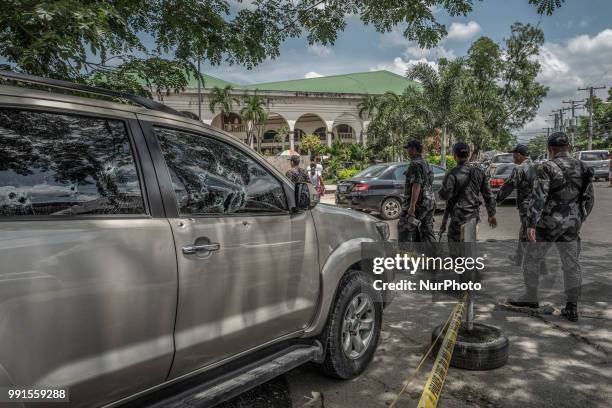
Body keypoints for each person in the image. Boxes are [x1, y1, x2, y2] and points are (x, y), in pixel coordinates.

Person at [508, 132, 594, 322]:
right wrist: (580, 218)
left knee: (532, 258)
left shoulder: (546, 167)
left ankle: (531, 297)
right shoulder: (584, 167)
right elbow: (589, 199)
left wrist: (530, 224)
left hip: (547, 224)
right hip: (572, 225)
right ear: (569, 147)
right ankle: (572, 307)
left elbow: (539, 197)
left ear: (550, 149)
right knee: (571, 265)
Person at [439, 142, 497, 244]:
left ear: (454, 156)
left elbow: (445, 196)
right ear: (469, 155)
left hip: (457, 221)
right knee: (469, 252)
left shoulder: (451, 173)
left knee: (456, 255)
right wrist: (491, 215)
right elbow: (488, 195)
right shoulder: (479, 172)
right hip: (473, 219)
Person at [496, 144, 537, 266]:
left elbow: (508, 186)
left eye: (514, 154)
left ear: (519, 155)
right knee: (526, 231)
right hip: (540, 205)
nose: (512, 156)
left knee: (527, 232)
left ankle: (536, 262)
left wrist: (496, 200)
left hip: (527, 205)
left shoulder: (519, 169)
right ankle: (519, 258)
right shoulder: (538, 167)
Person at [398, 139, 436, 243]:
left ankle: (405, 257)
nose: (407, 151)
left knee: (404, 229)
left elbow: (416, 184)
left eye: (408, 149)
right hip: (429, 203)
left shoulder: (415, 164)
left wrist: (412, 206)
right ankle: (433, 257)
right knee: (426, 231)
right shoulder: (426, 163)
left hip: (419, 204)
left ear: (414, 149)